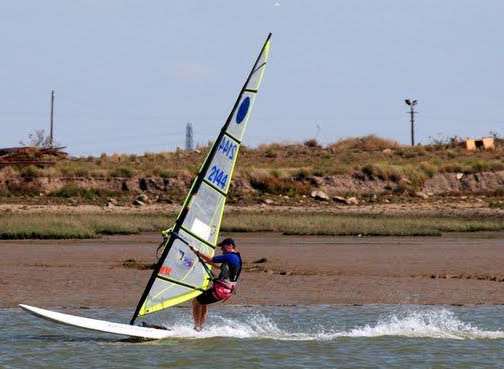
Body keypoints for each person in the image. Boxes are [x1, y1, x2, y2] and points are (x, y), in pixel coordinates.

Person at [189, 238, 242, 331]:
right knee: (203, 302)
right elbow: (218, 266)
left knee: (196, 301)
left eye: (223, 247)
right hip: (225, 291)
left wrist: (196, 251)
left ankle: (196, 327)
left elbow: (211, 259)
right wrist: (204, 261)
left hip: (220, 291)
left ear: (230, 246)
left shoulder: (230, 257)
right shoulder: (236, 258)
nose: (221, 249)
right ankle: (200, 326)